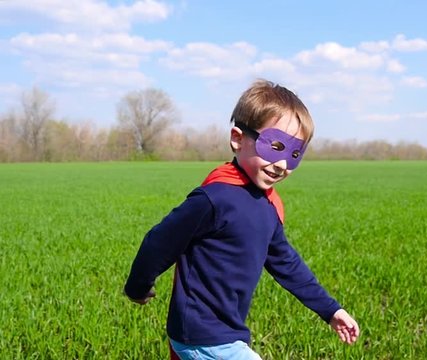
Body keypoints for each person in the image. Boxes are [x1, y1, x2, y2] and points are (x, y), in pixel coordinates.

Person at [124, 79, 360, 359]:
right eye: (275, 146)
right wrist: (138, 287)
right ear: (238, 138)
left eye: (294, 154)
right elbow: (159, 241)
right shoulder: (215, 198)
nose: (283, 164)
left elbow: (286, 263)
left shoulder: (269, 204)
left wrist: (331, 309)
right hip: (204, 334)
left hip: (226, 332)